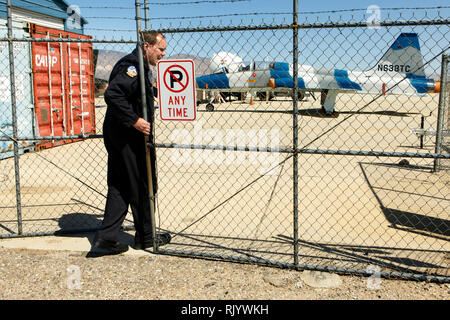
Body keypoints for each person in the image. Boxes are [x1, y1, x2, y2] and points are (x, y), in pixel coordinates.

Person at [93, 32, 171, 254]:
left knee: (120, 185)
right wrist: (135, 121)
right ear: (147, 46)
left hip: (119, 134)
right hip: (127, 136)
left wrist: (157, 92)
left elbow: (133, 93)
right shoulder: (132, 66)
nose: (163, 54)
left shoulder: (138, 66)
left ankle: (105, 239)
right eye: (160, 49)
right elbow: (113, 95)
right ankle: (146, 237)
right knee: (142, 183)